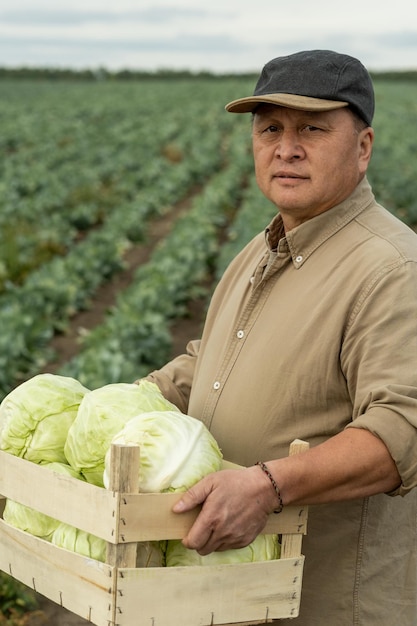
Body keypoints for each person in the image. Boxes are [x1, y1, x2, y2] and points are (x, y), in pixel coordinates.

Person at [142, 50, 417, 624]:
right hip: (244, 592)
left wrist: (268, 486)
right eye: (270, 128)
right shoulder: (260, 249)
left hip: (331, 601)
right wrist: (116, 402)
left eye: (312, 128)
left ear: (362, 147)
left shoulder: (392, 269)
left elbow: (400, 433)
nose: (285, 148)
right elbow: (210, 362)